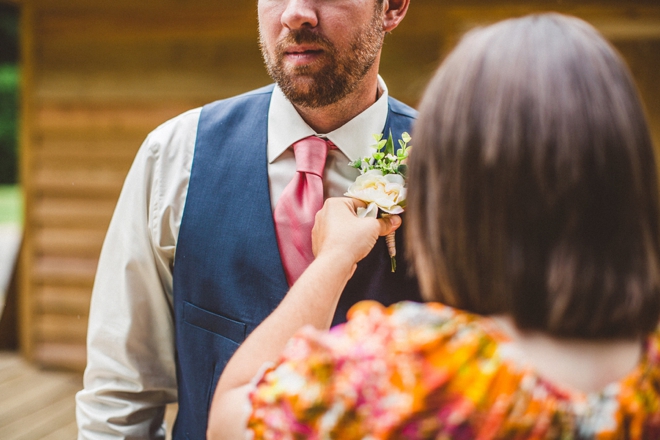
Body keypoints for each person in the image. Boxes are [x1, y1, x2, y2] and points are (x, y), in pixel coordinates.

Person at [208, 13, 660, 439]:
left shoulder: (416, 373)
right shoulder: (648, 382)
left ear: (455, 191)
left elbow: (234, 416)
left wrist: (334, 259)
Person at [75, 0, 422, 439]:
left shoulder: (454, 169)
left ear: (391, 8)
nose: (297, 13)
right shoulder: (176, 156)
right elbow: (119, 398)